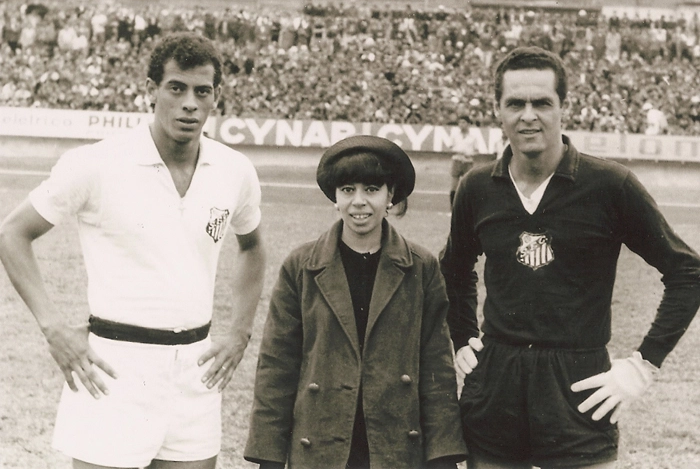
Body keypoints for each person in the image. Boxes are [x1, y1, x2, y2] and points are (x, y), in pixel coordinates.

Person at [0, 32, 266, 469]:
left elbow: (252, 246)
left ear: (216, 97)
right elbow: (12, 234)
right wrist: (53, 329)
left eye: (202, 92)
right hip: (113, 370)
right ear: (150, 91)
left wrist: (240, 332)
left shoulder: (234, 170)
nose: (189, 104)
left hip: (195, 373)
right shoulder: (97, 163)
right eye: (176, 88)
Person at [440, 46, 700, 469]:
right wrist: (462, 336)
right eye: (515, 103)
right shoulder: (476, 187)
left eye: (542, 102)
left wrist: (642, 365)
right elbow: (453, 268)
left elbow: (688, 272)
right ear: (497, 111)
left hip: (577, 383)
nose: (528, 115)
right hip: (495, 384)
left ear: (564, 107)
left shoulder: (610, 185)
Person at [244, 135, 467, 469]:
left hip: (394, 447)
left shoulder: (421, 266)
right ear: (335, 197)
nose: (359, 202)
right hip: (320, 444)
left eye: (372, 189)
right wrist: (269, 458)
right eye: (348, 190)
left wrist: (442, 457)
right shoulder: (301, 266)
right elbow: (277, 366)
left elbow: (437, 368)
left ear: (391, 195)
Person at [449, 116, 479, 206]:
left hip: (468, 161)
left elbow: (476, 151)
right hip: (457, 160)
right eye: (460, 123)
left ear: (468, 124)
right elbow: (450, 148)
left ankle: (467, 206)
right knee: (454, 184)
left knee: (468, 184)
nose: (461, 125)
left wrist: (469, 154)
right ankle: (453, 206)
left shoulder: (473, 137)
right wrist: (458, 151)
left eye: (463, 122)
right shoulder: (455, 136)